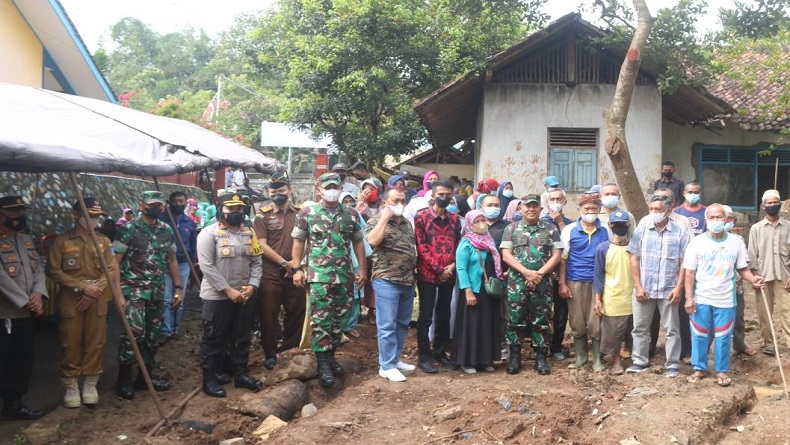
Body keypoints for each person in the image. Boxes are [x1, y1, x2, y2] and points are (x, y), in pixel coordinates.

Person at [291, 173, 366, 388]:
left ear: (341, 187)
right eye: (328, 186)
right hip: (320, 276)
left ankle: (332, 356)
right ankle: (323, 364)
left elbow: (358, 242)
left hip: (344, 275)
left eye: (336, 186)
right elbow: (298, 241)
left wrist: (362, 269)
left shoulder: (350, 214)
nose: (332, 190)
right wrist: (297, 269)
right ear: (319, 189)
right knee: (321, 319)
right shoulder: (308, 212)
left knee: (339, 319)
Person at [684, 204, 765, 386]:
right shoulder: (697, 242)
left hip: (726, 298)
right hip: (701, 297)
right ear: (705, 220)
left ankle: (722, 371)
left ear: (726, 219)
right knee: (699, 334)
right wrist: (689, 298)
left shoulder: (735, 242)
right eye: (711, 218)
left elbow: (742, 268)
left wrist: (753, 280)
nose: (715, 221)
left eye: (719, 217)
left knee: (723, 337)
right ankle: (700, 368)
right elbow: (689, 272)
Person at [111, 191, 181, 400]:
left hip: (157, 290)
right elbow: (114, 262)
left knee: (152, 335)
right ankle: (123, 380)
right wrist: (117, 295)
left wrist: (178, 287)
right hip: (133, 290)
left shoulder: (166, 230)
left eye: (160, 205)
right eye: (152, 204)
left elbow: (171, 260)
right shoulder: (127, 229)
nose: (157, 208)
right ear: (141, 205)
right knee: (134, 333)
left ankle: (145, 378)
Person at [47, 197, 115, 408]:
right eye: (90, 216)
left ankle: (90, 383)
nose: (94, 220)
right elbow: (54, 270)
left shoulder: (103, 241)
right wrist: (82, 287)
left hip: (97, 298)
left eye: (96, 217)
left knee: (96, 342)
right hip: (71, 299)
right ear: (76, 215)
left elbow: (111, 269)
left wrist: (94, 290)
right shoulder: (62, 241)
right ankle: (71, 384)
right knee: (70, 341)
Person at [197, 192, 263, 397]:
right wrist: (228, 290)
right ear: (221, 211)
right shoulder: (209, 234)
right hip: (217, 296)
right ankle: (209, 379)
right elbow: (207, 266)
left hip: (244, 295)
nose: (236, 212)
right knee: (214, 338)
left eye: (239, 209)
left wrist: (252, 286)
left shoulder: (249, 233)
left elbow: (257, 262)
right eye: (231, 209)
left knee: (242, 337)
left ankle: (240, 374)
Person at [626, 195, 690, 377]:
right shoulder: (642, 230)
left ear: (668, 211)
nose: (654, 213)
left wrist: (679, 288)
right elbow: (634, 258)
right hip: (644, 288)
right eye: (651, 209)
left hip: (668, 290)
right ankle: (639, 361)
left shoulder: (680, 233)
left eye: (657, 210)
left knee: (672, 330)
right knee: (640, 328)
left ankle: (672, 365)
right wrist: (638, 286)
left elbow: (684, 263)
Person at [501, 194, 562, 375]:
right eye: (527, 206)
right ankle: (515, 357)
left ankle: (541, 358)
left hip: (543, 283)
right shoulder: (511, 229)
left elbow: (557, 255)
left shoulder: (551, 229)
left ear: (540, 209)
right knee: (515, 319)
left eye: (535, 206)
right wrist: (527, 272)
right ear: (521, 208)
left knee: (541, 320)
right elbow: (506, 255)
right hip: (517, 283)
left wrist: (539, 274)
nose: (531, 209)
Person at [252, 171, 305, 370]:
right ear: (269, 192)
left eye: (282, 190)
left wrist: (295, 264)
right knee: (269, 313)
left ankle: (289, 348)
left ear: (289, 190)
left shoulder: (300, 213)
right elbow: (261, 244)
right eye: (274, 191)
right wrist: (285, 263)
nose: (278, 194)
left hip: (296, 269)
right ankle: (270, 353)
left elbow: (305, 240)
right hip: (271, 272)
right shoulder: (262, 215)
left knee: (297, 309)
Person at [0, 195, 46, 420]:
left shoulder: (26, 240)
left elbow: (38, 269)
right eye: (15, 212)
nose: (21, 216)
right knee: (4, 359)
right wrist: (26, 300)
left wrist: (38, 294)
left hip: (26, 312)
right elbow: (1, 277)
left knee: (22, 359)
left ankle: (14, 403)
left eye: (22, 211)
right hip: (6, 312)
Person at [366, 188, 417, 382]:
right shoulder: (375, 221)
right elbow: (372, 241)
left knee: (402, 323)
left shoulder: (406, 224)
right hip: (386, 279)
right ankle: (386, 365)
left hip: (407, 280)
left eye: (403, 200)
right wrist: (384, 218)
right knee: (387, 325)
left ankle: (394, 360)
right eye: (395, 200)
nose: (400, 204)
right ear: (385, 202)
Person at [413, 180, 462, 373]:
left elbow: (458, 243)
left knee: (444, 314)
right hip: (427, 275)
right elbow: (421, 246)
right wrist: (438, 269)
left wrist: (451, 267)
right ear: (432, 195)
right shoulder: (421, 217)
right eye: (440, 194)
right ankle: (424, 356)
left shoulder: (455, 219)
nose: (444, 197)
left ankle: (440, 353)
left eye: (448, 194)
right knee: (425, 317)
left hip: (449, 274)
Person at [559, 192, 609, 371]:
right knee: (577, 321)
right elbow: (563, 258)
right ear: (579, 209)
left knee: (596, 320)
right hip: (575, 280)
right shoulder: (569, 230)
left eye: (594, 209)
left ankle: (598, 359)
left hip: (599, 281)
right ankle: (581, 357)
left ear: (599, 210)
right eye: (586, 208)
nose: (590, 211)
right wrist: (562, 283)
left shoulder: (606, 230)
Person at [452, 210, 505, 373]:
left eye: (483, 220)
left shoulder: (489, 242)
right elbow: (461, 268)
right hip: (472, 289)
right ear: (469, 224)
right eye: (477, 221)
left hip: (488, 291)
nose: (481, 224)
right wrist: (468, 291)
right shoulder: (466, 243)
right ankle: (468, 361)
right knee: (472, 325)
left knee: (487, 324)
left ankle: (485, 359)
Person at [748, 189, 790, 357]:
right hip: (763, 277)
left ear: (780, 204)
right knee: (764, 312)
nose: (772, 205)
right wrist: (754, 278)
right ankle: (769, 344)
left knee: (788, 310)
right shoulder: (756, 229)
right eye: (769, 203)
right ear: (763, 206)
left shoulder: (788, 227)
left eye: (775, 202)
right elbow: (751, 255)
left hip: (784, 277)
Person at [593, 210, 634, 375]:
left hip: (634, 296)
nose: (620, 228)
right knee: (614, 333)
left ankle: (636, 359)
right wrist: (598, 299)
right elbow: (598, 276)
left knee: (634, 331)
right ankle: (616, 362)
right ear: (610, 226)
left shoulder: (634, 246)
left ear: (628, 225)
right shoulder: (603, 248)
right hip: (613, 297)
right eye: (616, 225)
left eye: (623, 225)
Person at [160, 191, 197, 344]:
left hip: (183, 264)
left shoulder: (189, 222)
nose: (178, 204)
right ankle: (166, 330)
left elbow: (193, 243)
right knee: (166, 299)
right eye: (175, 201)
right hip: (163, 263)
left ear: (185, 203)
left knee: (178, 298)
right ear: (170, 202)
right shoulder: (162, 220)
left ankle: (175, 329)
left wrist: (193, 260)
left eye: (181, 201)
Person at [540, 188, 573, 360]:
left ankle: (556, 347)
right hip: (542, 275)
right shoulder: (540, 222)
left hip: (563, 275)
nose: (555, 202)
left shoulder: (570, 223)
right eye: (552, 199)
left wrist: (560, 223)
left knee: (561, 313)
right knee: (541, 312)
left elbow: (570, 245)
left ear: (564, 201)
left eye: (559, 199)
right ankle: (538, 347)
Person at [722, 205, 756, 356]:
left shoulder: (738, 239)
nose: (729, 221)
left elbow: (744, 263)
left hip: (736, 286)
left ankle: (739, 345)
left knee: (738, 317)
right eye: (726, 218)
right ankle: (713, 350)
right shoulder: (705, 239)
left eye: (731, 218)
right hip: (715, 288)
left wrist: (740, 277)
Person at [340, 191, 373, 339]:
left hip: (355, 259)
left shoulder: (355, 215)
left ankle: (350, 324)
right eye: (344, 201)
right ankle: (339, 326)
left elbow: (363, 236)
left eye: (350, 202)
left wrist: (362, 265)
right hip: (338, 261)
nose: (348, 205)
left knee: (354, 295)